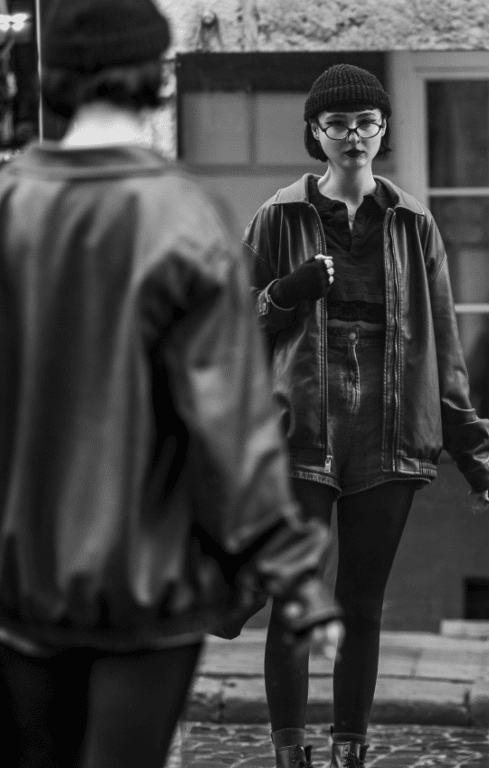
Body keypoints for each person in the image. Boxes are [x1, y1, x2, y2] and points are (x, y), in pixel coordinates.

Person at [0, 2, 342, 767]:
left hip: (19, 586)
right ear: (154, 81)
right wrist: (292, 571)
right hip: (151, 587)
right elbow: (232, 423)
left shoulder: (10, 207)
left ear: (50, 80)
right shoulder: (184, 218)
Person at [242, 63, 489, 768]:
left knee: (361, 602)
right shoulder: (279, 217)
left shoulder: (414, 222)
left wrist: (472, 453)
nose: (352, 135)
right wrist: (284, 293)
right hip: (299, 424)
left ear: (383, 129)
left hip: (389, 429)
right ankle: (290, 753)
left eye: (365, 122)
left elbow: (443, 345)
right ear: (315, 134)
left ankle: (349, 751)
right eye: (337, 124)